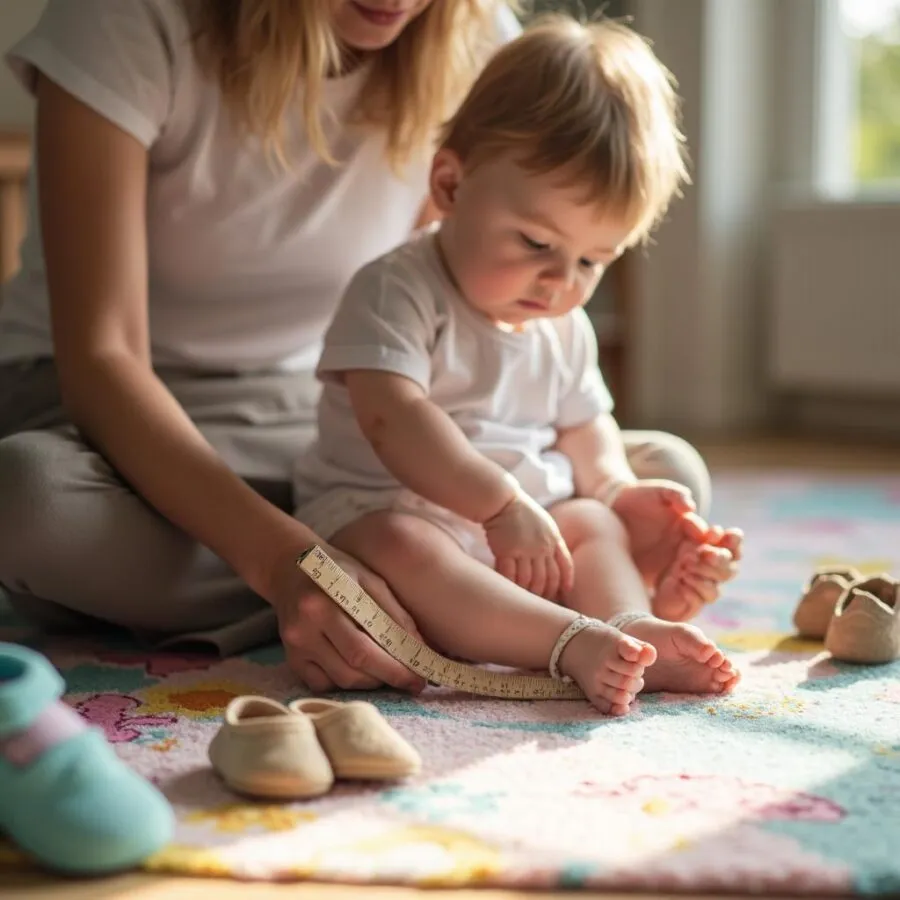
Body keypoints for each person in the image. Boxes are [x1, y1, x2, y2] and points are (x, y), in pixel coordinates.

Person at [0, 0, 720, 697]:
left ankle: (437, 599)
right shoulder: (129, 17)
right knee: (28, 502)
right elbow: (104, 360)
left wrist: (610, 492)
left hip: (336, 413)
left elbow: (454, 312)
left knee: (664, 474)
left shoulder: (476, 37)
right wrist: (287, 564)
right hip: (120, 413)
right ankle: (419, 593)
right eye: (538, 245)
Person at [293, 15, 743, 714]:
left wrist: (616, 490)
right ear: (451, 185)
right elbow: (393, 419)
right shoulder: (395, 289)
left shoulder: (561, 322)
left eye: (592, 261)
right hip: (387, 509)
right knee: (401, 544)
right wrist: (499, 505)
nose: (561, 281)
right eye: (536, 243)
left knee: (593, 522)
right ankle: (568, 642)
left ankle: (629, 630)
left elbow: (586, 425)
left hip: (524, 525)